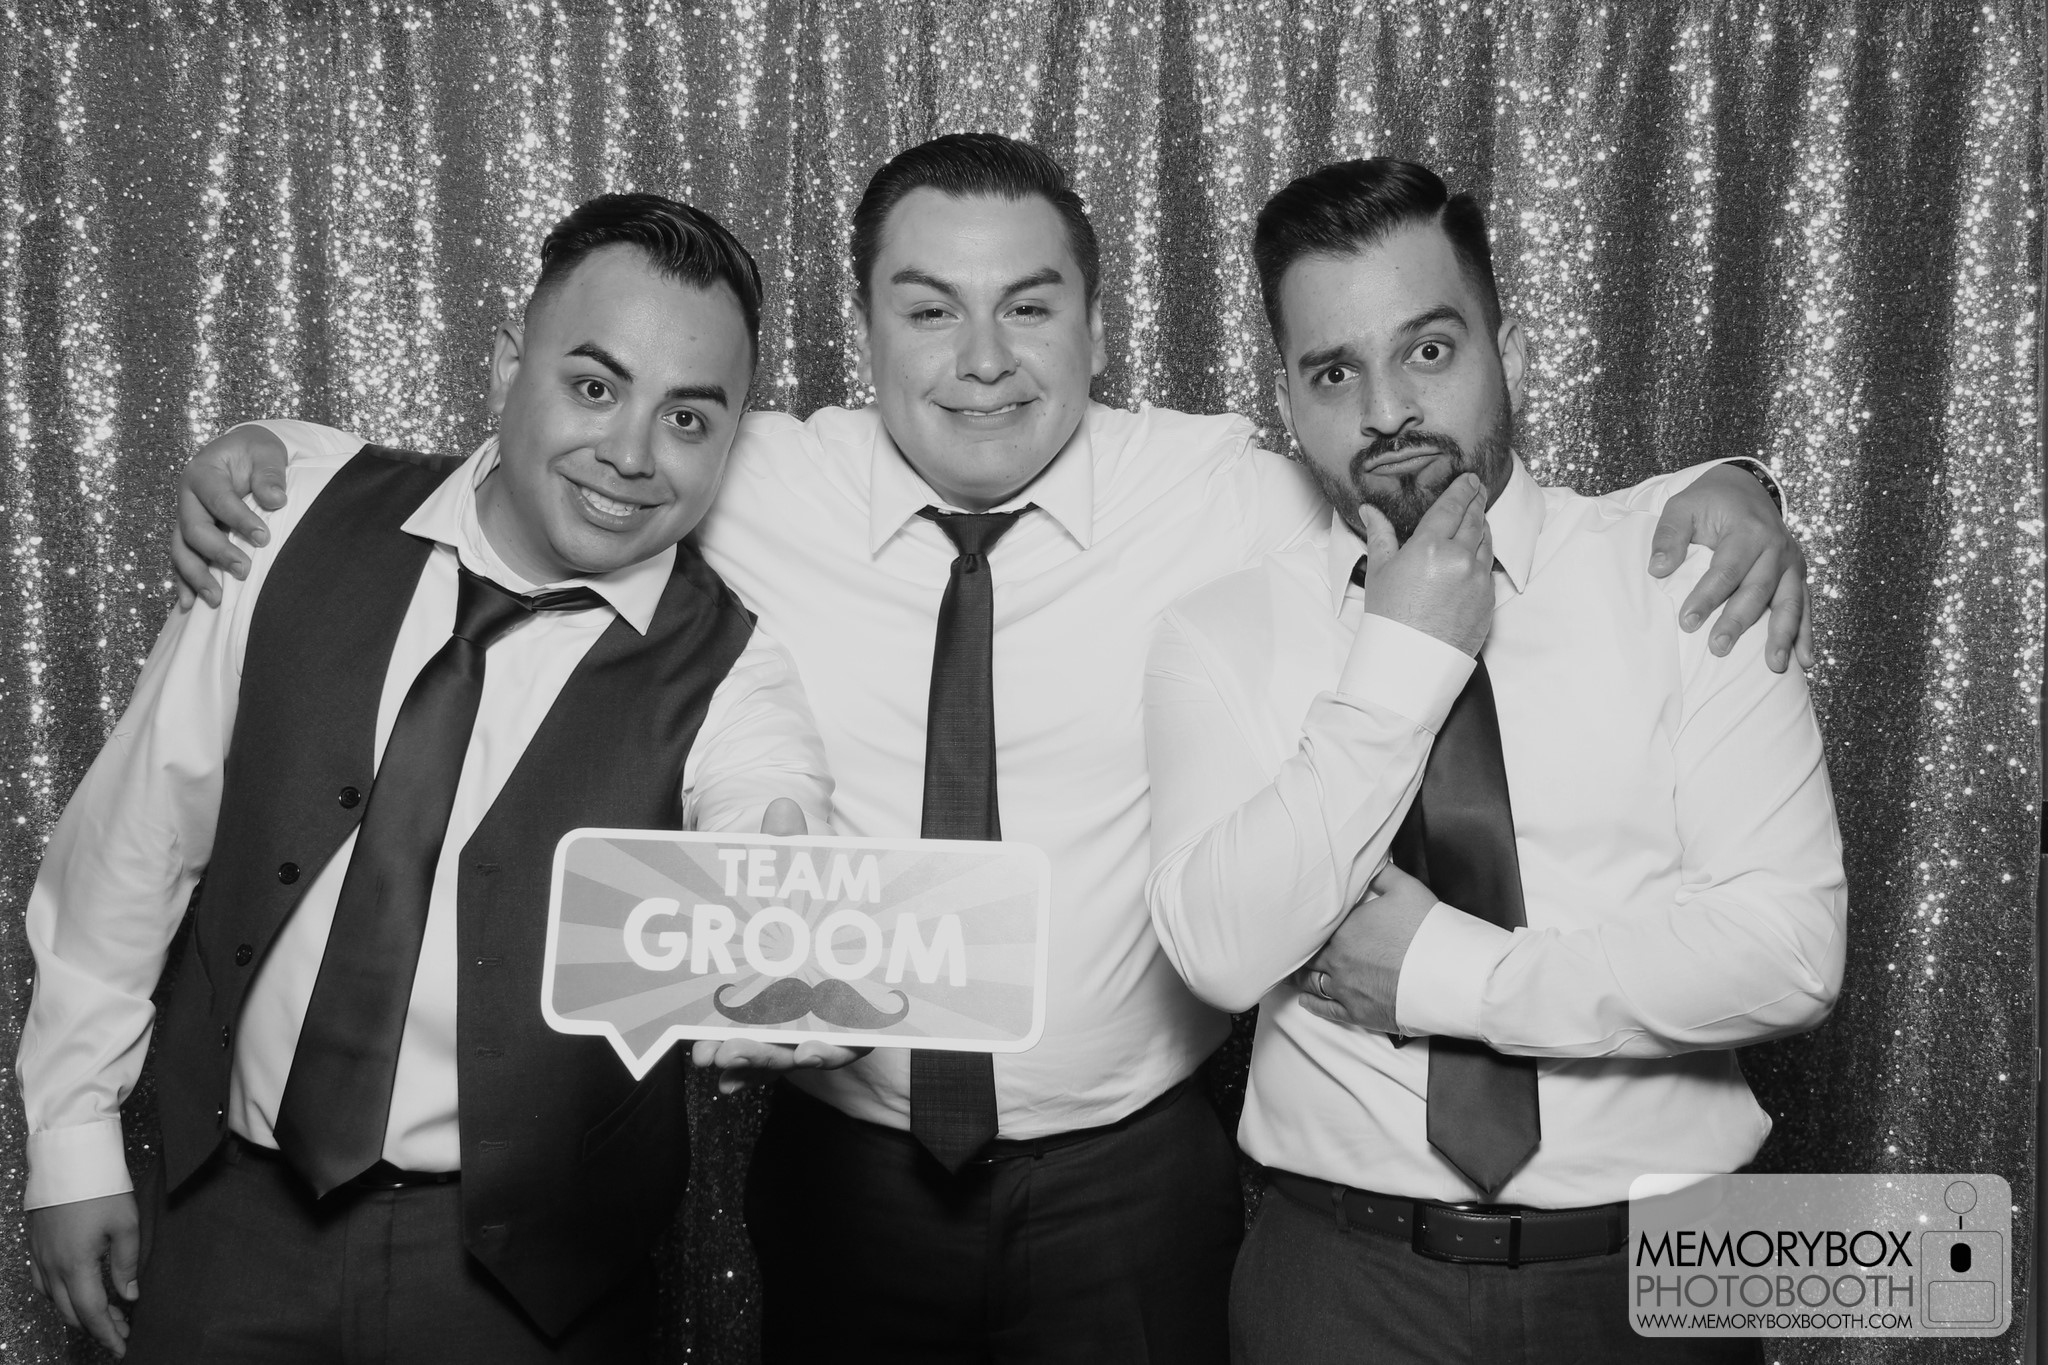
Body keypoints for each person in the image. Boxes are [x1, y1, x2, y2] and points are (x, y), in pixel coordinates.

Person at [167, 135, 1811, 1364]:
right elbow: (549, 447)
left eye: (1028, 307)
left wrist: (1732, 490)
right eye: (928, 310)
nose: (980, 361)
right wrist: (281, 463)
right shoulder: (751, 476)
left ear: (1095, 326)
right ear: (864, 330)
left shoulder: (1224, 490)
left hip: (1137, 1180)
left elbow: (1460, 473)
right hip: (847, 1170)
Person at [18, 193, 834, 1363]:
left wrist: (781, 907)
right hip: (228, 1223)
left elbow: (769, 812)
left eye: (688, 418)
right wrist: (72, 1136)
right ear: (508, 365)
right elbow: (137, 839)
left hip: (528, 1285)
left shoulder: (734, 669)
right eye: (593, 386)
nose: (631, 453)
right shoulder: (288, 516)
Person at [1144, 158, 1846, 1364]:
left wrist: (1443, 975)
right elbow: (1217, 951)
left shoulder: (1685, 573)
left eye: (1427, 349)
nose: (1386, 411)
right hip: (1342, 1281)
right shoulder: (1220, 634)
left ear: (1505, 349)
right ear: (1287, 398)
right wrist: (1402, 657)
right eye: (1333, 372)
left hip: (1665, 1266)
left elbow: (1785, 953)